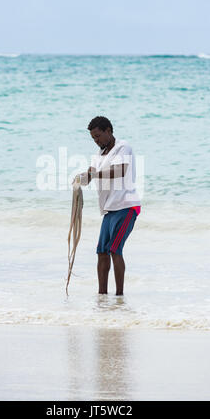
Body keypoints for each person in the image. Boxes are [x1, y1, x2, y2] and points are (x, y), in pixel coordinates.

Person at [78, 116, 141, 296]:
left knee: (115, 249)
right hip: (109, 209)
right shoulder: (99, 154)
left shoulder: (123, 147)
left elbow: (120, 170)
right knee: (102, 251)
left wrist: (95, 174)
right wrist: (83, 178)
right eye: (93, 138)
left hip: (127, 206)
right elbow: (92, 173)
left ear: (108, 131)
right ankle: (102, 296)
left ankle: (119, 296)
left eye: (98, 136)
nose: (96, 141)